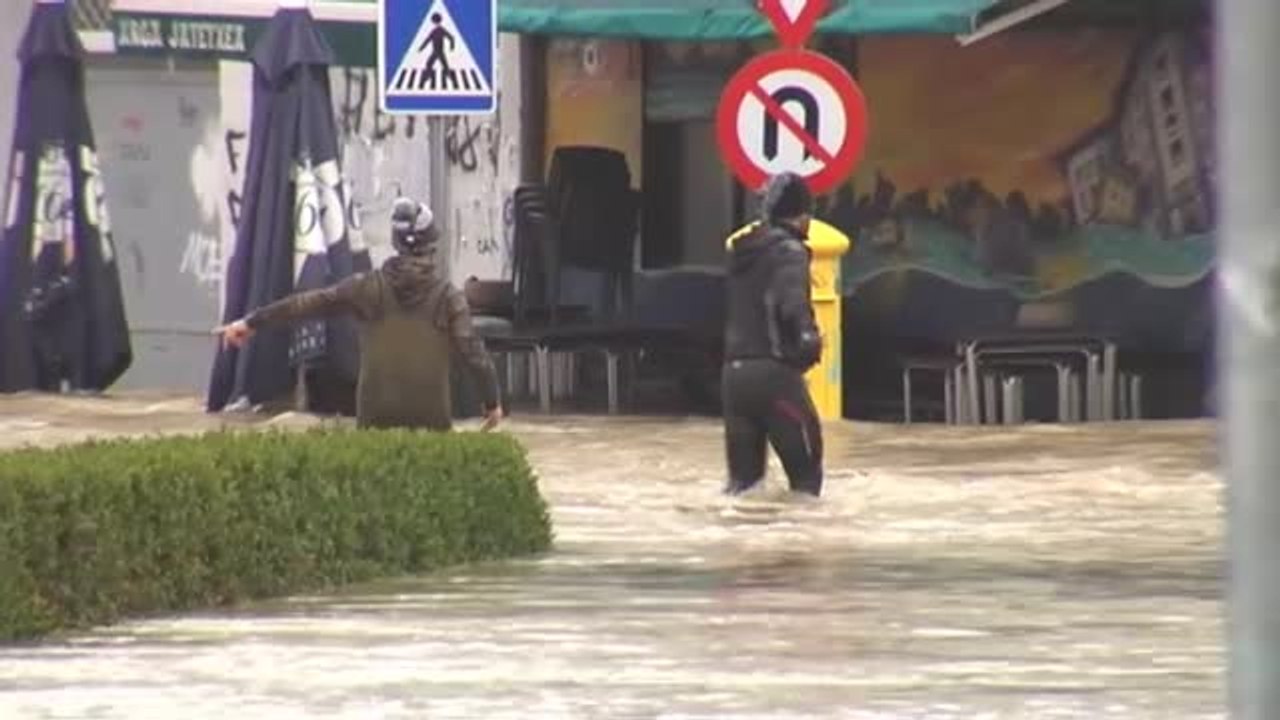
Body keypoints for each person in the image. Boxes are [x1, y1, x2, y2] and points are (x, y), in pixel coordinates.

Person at [215, 197, 503, 432]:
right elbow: (473, 353)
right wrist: (492, 402)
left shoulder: (367, 287)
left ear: (396, 242)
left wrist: (252, 322)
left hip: (375, 416)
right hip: (431, 419)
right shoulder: (448, 297)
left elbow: (307, 303)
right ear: (431, 245)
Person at [722, 173, 825, 497]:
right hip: (774, 376)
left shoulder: (741, 253)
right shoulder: (790, 250)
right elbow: (792, 305)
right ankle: (798, 547)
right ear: (801, 214)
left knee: (743, 488)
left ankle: (745, 544)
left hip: (734, 378)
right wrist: (810, 344)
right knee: (807, 480)